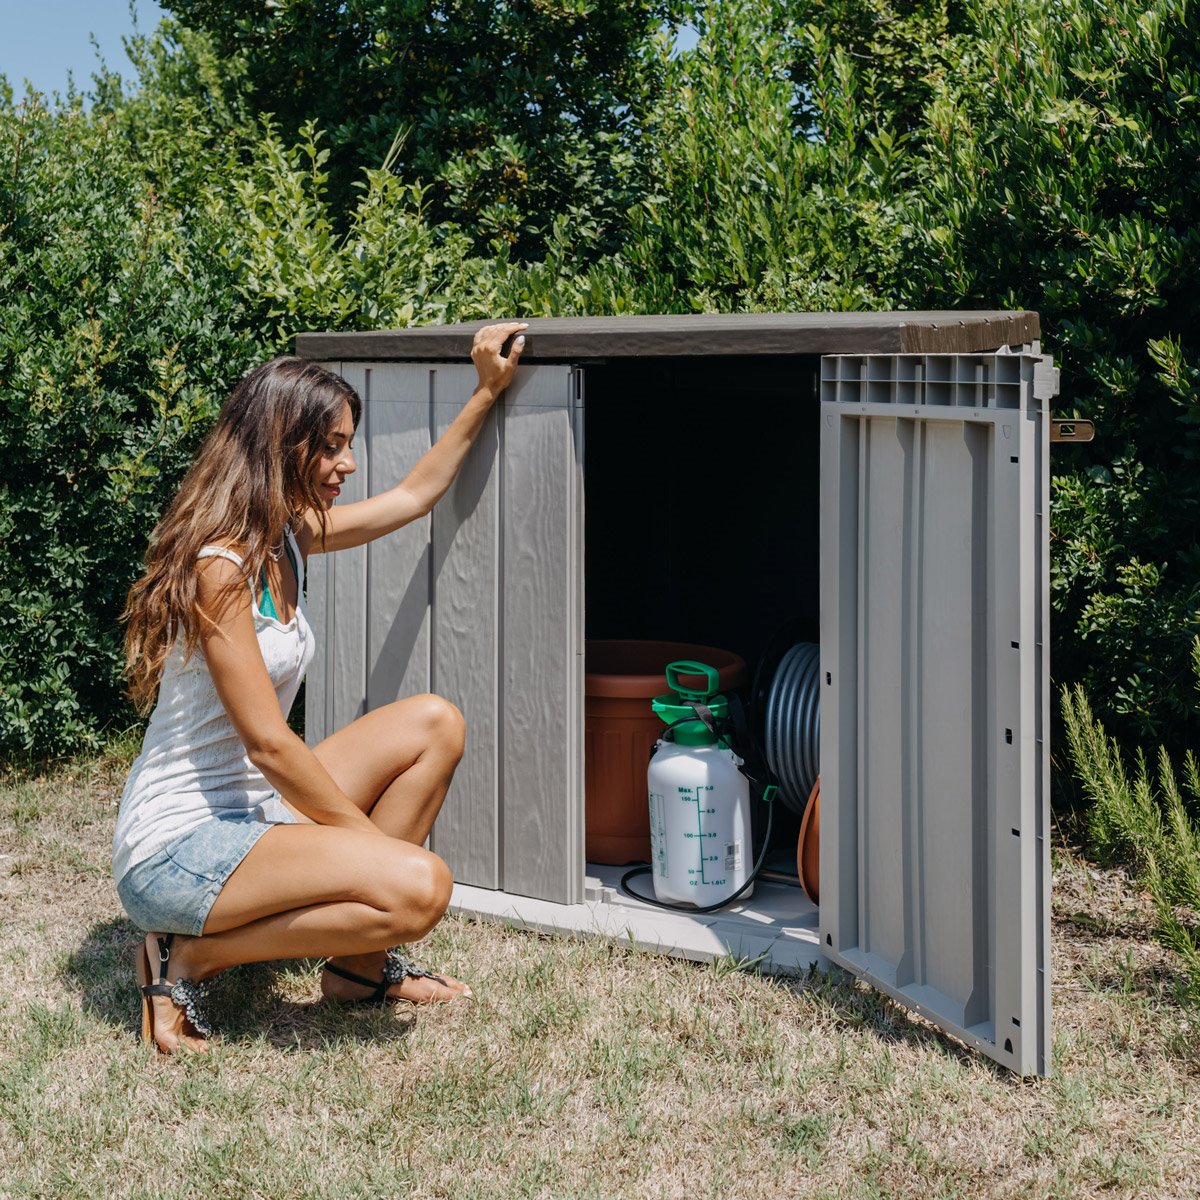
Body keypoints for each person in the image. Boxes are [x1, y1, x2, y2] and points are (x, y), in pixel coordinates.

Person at [113, 321, 528, 1054]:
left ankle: (358, 971)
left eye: (347, 444)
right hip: (178, 843)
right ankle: (189, 955)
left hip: (251, 813)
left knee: (435, 722)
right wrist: (368, 845)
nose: (349, 464)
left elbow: (411, 498)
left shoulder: (288, 537)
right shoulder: (221, 568)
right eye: (331, 446)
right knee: (419, 887)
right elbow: (271, 743)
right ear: (281, 446)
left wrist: (486, 392)